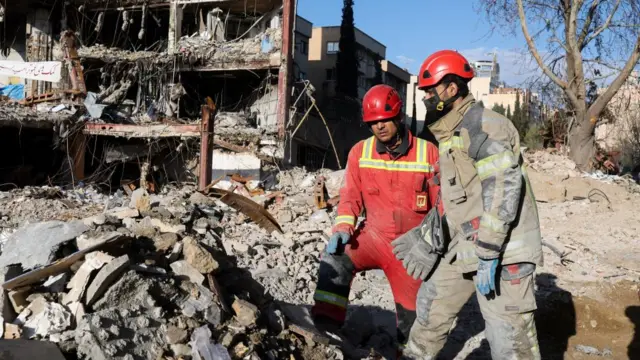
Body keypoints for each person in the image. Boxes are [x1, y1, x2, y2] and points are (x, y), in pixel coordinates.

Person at [392, 50, 543, 359]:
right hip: (467, 243)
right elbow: (464, 196)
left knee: (509, 338)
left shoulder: (485, 126)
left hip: (503, 250)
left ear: (452, 88)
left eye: (430, 90)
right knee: (432, 304)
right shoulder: (451, 133)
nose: (426, 97)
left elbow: (503, 188)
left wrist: (488, 252)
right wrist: (432, 233)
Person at [311, 84, 441, 348]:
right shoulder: (360, 152)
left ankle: (405, 351)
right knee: (334, 259)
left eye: (384, 120)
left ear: (398, 116)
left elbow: (442, 205)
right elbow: (350, 197)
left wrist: (431, 244)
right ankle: (326, 330)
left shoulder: (428, 152)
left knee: (412, 325)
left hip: (410, 248)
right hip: (373, 237)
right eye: (373, 122)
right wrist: (343, 228)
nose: (379, 127)